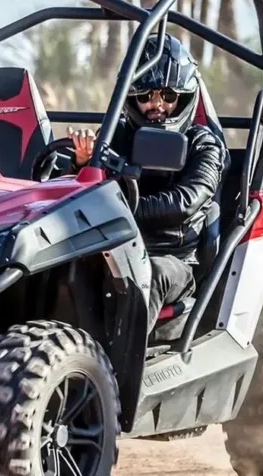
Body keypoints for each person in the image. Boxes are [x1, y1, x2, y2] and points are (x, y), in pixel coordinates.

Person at [67, 34, 228, 334]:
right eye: (146, 96)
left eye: (167, 96)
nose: (157, 105)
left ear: (184, 97)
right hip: (112, 247)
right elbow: (82, 189)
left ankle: (120, 378)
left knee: (148, 273)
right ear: (132, 98)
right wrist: (81, 161)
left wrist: (119, 212)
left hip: (173, 258)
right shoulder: (115, 136)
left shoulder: (204, 145)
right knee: (63, 269)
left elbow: (185, 202)